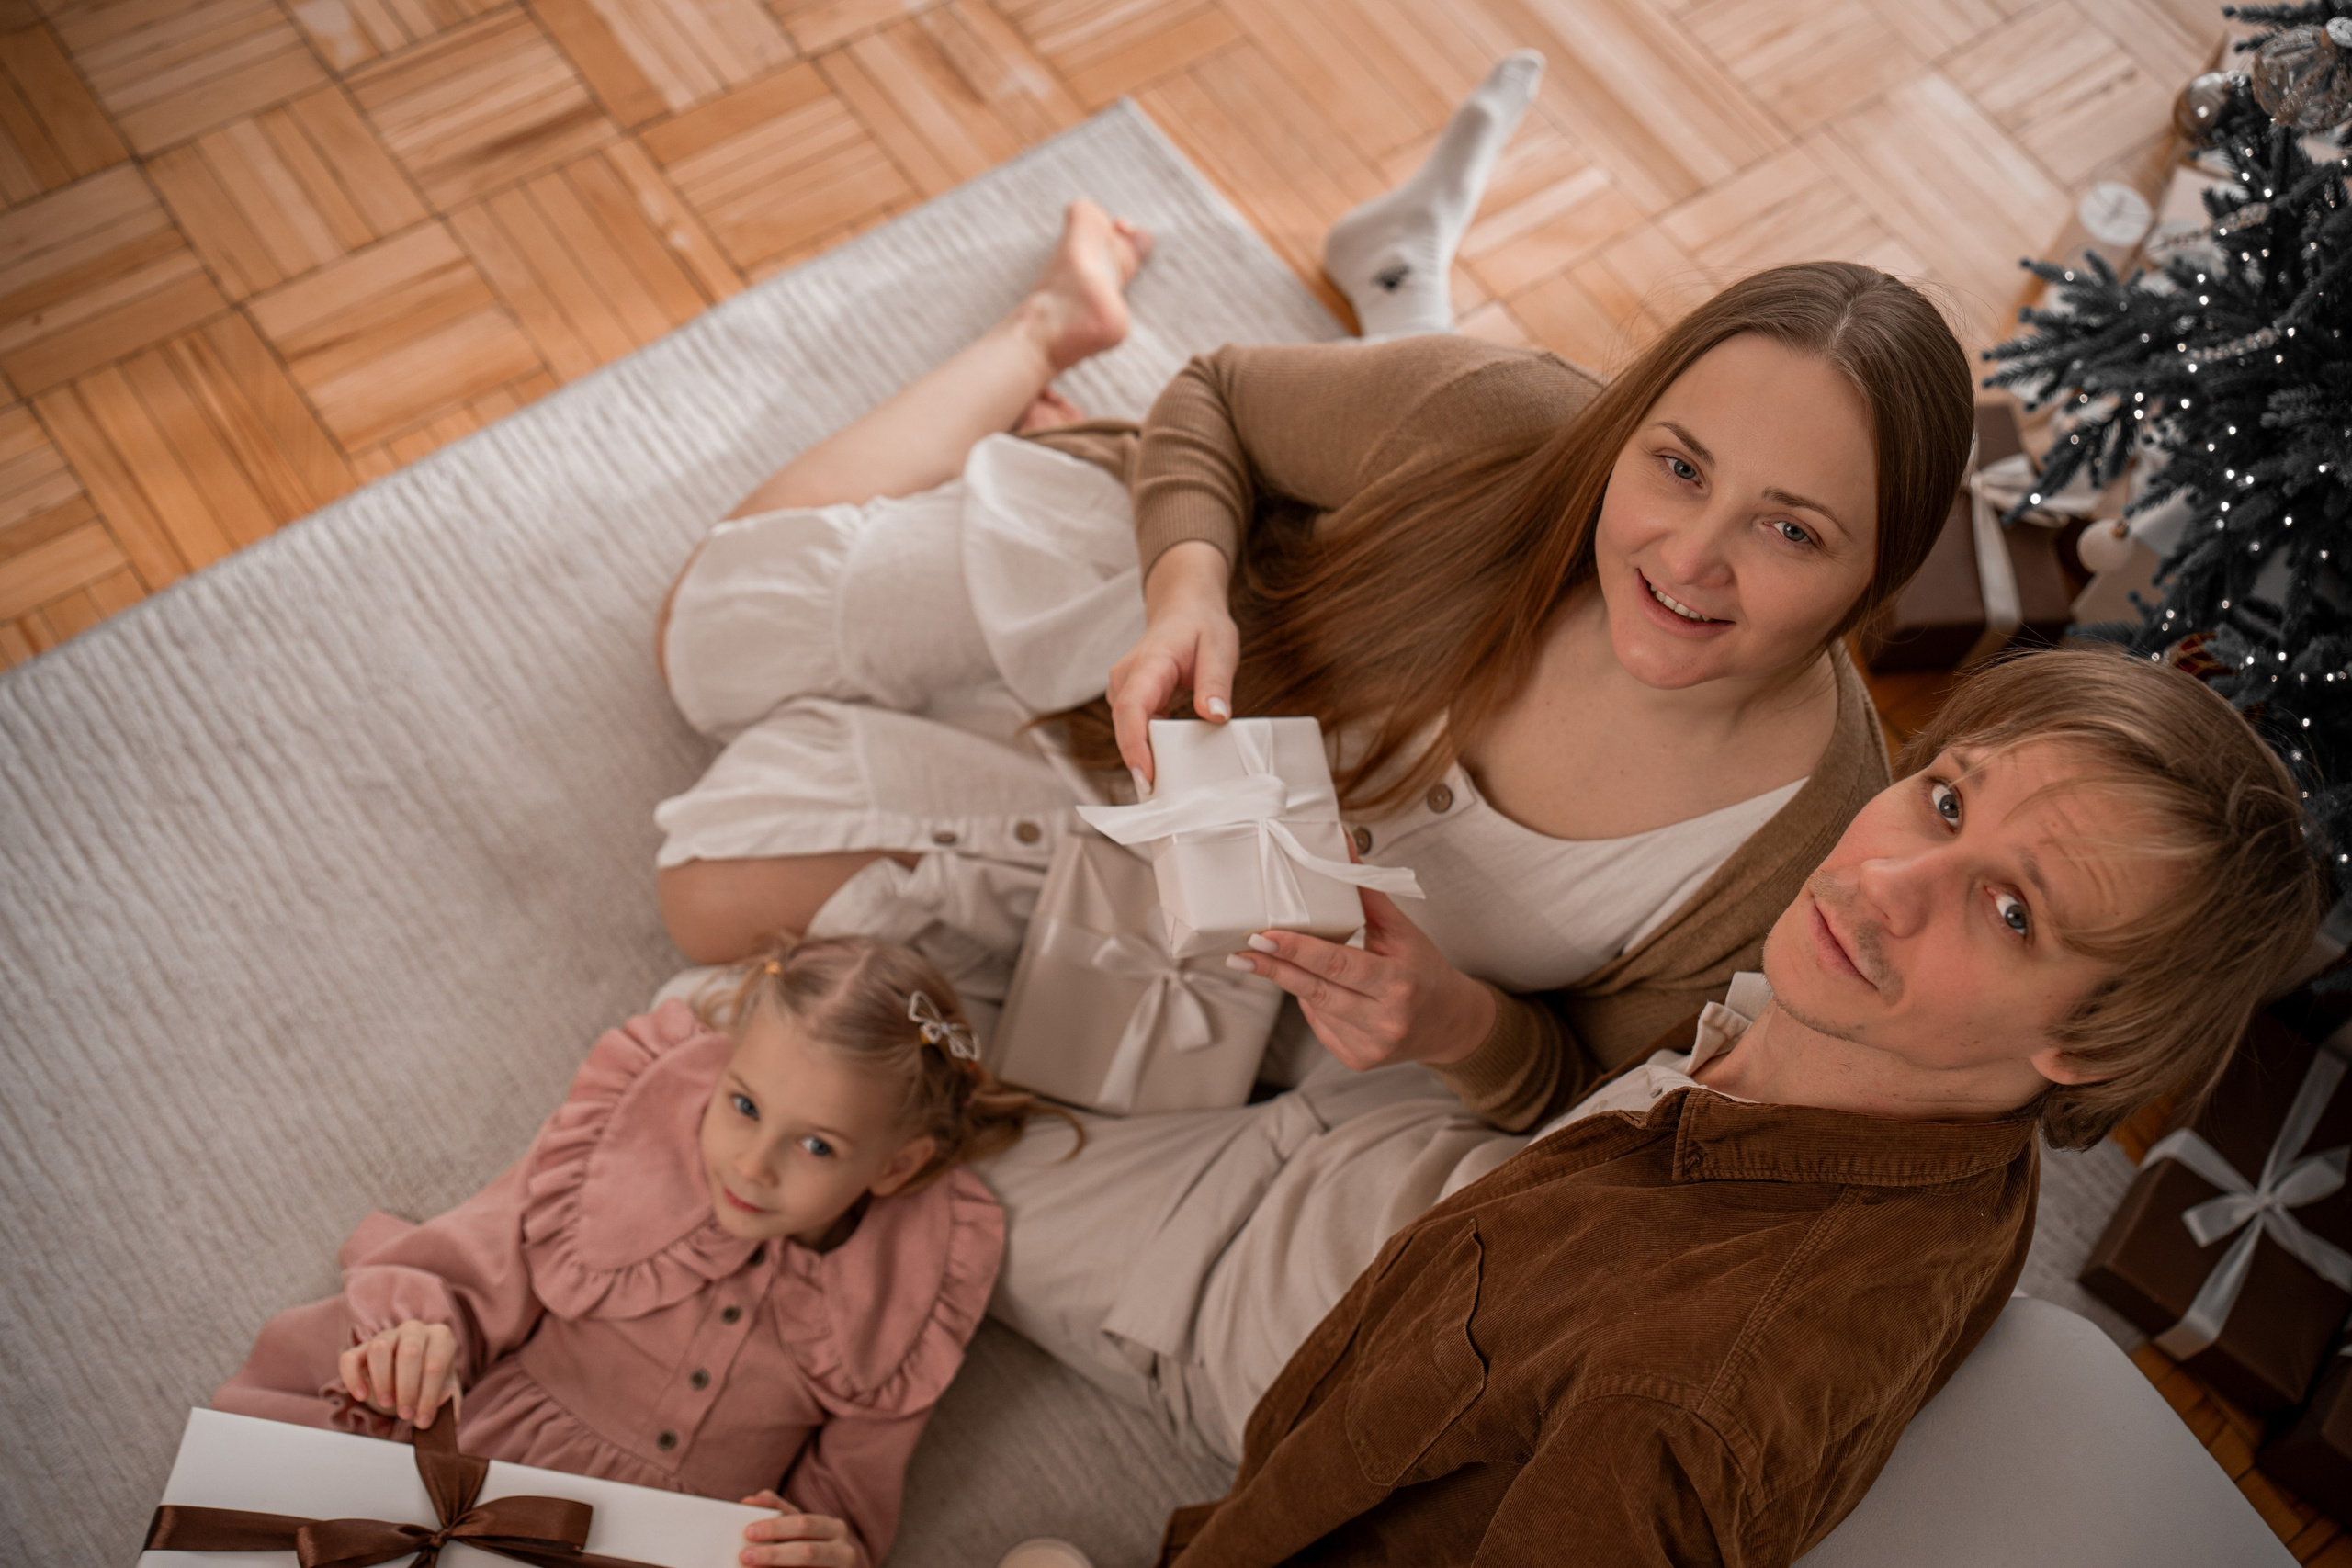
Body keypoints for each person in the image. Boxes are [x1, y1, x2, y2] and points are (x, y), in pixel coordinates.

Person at [643, 52, 1970, 1457]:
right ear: (1629, 426)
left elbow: (1584, 1086)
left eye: (1793, 529)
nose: (1689, 559)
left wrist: (1455, 1020)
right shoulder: (1509, 420)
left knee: (712, 895)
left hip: (1213, 936)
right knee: (701, 645)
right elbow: (1210, 401)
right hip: (1155, 628)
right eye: (1680, 465)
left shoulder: (1797, 843)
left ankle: (1390, 282)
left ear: (1875, 582)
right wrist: (1187, 589)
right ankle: (1044, 331)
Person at [1035, 648, 2316, 1567]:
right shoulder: (1921, 1092)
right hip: (1438, 1225)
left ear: (2086, 1043)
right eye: (1943, 796)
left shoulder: (1676, 1408)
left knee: (903, 1102)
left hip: (1299, 1374)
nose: (1887, 881)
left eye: (2012, 908)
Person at [213, 937, 1050, 1568]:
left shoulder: (923, 1273)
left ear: (896, 1165)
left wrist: (830, 1544)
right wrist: (420, 1339)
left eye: (819, 1146)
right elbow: (464, 1268)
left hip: (674, 1548)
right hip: (493, 1465)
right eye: (745, 1104)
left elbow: (845, 1498)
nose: (753, 1165)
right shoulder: (631, 1129)